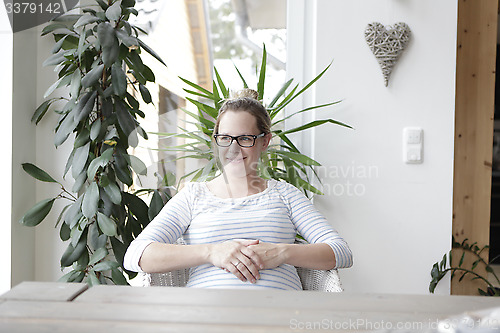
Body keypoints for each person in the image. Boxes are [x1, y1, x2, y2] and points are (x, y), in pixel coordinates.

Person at [123, 89, 353, 290]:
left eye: (244, 138)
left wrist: (281, 253)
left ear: (265, 141)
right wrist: (212, 252)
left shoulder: (286, 195)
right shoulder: (193, 196)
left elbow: (341, 252)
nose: (233, 148)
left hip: (280, 318)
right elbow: (136, 255)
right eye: (225, 138)